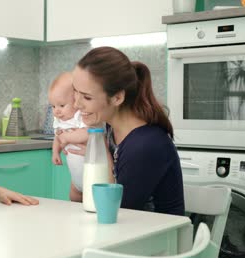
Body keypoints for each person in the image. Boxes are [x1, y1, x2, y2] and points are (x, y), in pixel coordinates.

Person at [68, 46, 184, 216]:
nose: (76, 104)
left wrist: (102, 154)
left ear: (117, 98)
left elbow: (113, 211)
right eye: (75, 92)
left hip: (158, 238)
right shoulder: (109, 129)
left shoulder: (146, 145)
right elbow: (78, 198)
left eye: (86, 97)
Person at [48, 72, 88, 202]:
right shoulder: (60, 121)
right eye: (53, 106)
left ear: (76, 101)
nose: (56, 111)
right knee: (73, 201)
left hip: (90, 177)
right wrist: (55, 152)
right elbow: (57, 138)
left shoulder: (81, 116)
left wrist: (67, 137)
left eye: (61, 105)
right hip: (75, 180)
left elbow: (89, 133)